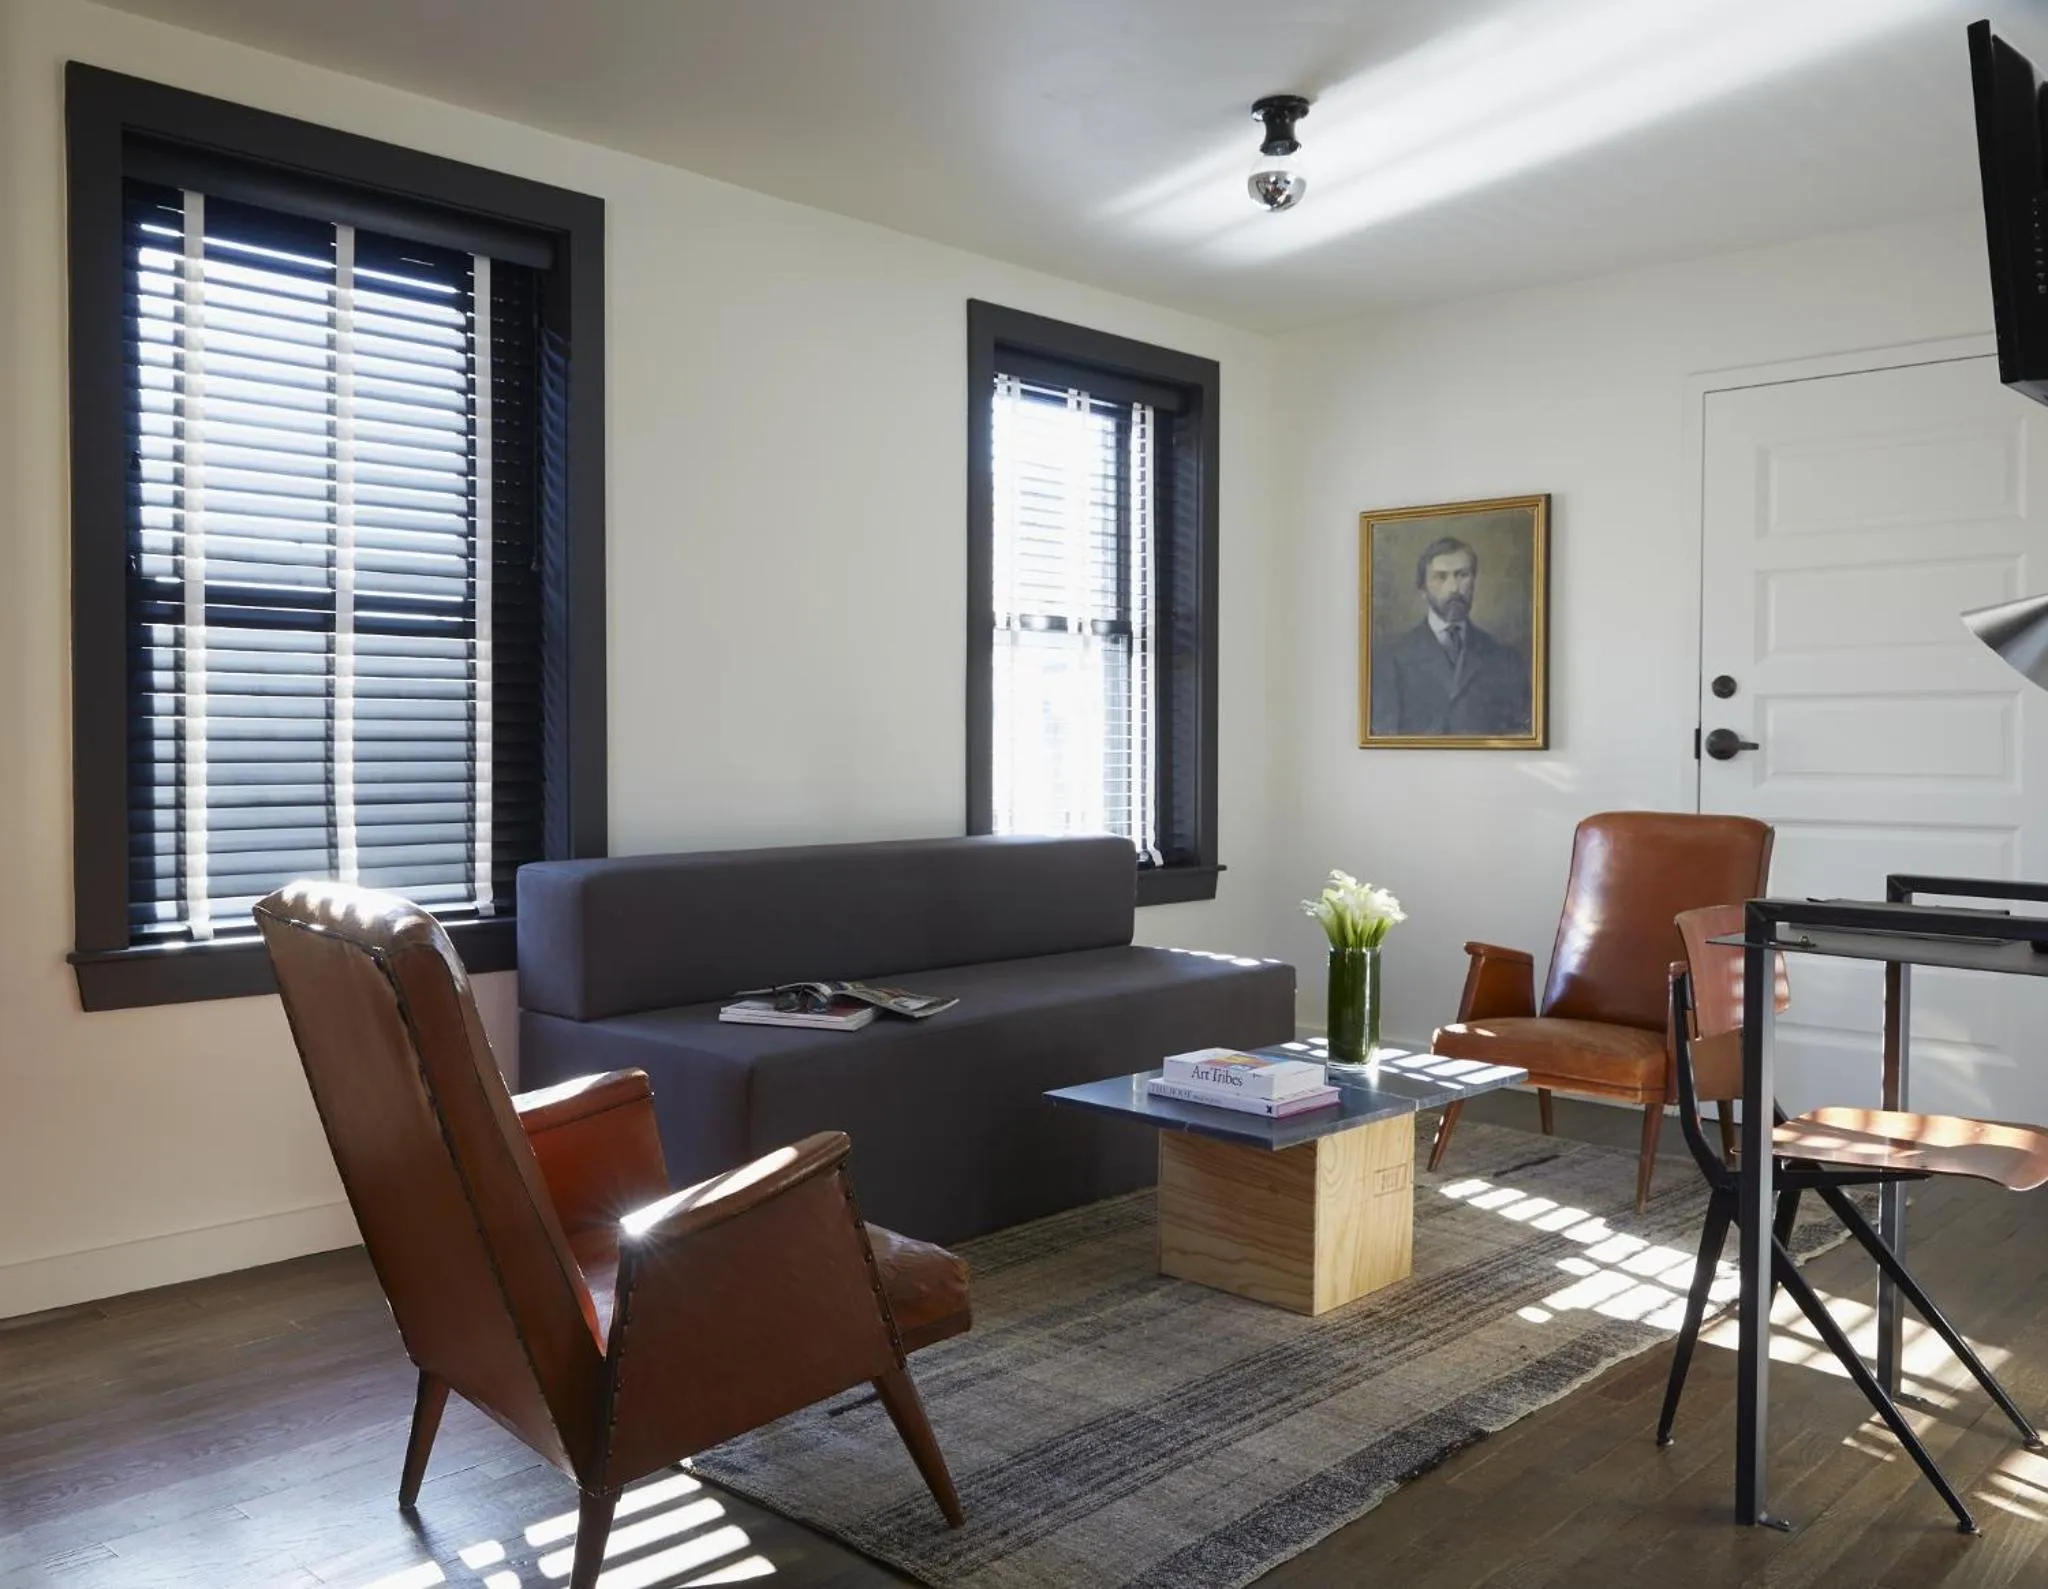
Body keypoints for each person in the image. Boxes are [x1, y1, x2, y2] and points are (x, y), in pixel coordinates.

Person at [1371, 535, 1531, 738]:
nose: (1454, 588)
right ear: (1422, 589)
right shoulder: (1391, 659)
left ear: (1474, 580)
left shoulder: (1505, 659)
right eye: (1440, 577)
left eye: (1463, 575)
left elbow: (1522, 736)